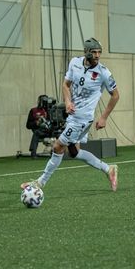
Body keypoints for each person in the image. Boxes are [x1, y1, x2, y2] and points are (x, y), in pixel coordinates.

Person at [21, 37, 120, 191]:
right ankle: (108, 169)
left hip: (82, 118)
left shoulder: (103, 73)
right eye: (94, 52)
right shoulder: (74, 63)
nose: (97, 55)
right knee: (74, 152)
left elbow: (115, 95)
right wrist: (67, 102)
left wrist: (104, 117)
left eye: (99, 52)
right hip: (73, 116)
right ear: (86, 52)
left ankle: (40, 183)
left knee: (58, 147)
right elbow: (66, 84)